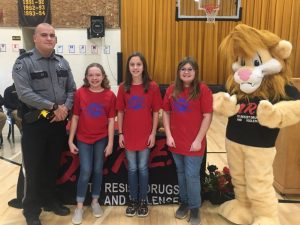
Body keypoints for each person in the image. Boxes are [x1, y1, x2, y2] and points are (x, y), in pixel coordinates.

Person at [12, 23, 76, 225]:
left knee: (51, 165)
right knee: (34, 167)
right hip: (35, 124)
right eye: (45, 35)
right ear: (35, 39)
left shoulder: (62, 63)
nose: (49, 38)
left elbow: (72, 90)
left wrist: (64, 108)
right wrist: (53, 106)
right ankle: (31, 210)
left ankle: (50, 201)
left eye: (52, 35)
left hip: (58, 123)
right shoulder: (24, 63)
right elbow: (24, 93)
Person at [162, 57, 213, 225]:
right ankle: (184, 203)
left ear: (195, 72)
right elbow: (166, 113)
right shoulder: (171, 90)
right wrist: (169, 135)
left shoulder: (203, 90)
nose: (186, 72)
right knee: (181, 173)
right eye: (183, 69)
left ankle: (195, 208)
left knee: (191, 176)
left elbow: (207, 116)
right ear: (179, 72)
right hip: (176, 142)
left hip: (194, 143)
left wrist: (199, 140)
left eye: (190, 69)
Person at [68, 63, 116, 224]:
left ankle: (95, 201)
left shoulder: (110, 95)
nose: (94, 78)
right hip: (83, 139)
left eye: (97, 75)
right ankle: (79, 206)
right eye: (91, 75)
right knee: (86, 170)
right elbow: (75, 117)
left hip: (101, 139)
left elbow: (111, 121)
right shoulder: (80, 93)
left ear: (103, 76)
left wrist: (110, 142)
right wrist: (70, 139)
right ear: (86, 77)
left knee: (97, 170)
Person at [116, 52, 162, 217]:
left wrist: (153, 133)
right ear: (128, 67)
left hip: (145, 134)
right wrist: (120, 133)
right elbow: (120, 112)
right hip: (129, 134)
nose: (135, 67)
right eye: (132, 64)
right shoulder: (123, 87)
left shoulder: (153, 87)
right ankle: (133, 200)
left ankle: (143, 201)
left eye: (138, 64)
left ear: (144, 67)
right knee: (132, 169)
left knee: (142, 168)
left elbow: (156, 112)